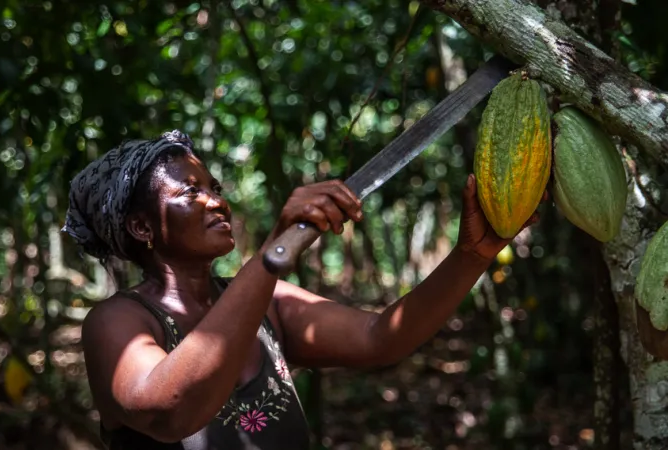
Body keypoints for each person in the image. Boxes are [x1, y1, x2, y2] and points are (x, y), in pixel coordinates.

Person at [62, 130, 544, 449]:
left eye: (216, 187)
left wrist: (473, 256)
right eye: (191, 191)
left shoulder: (267, 307)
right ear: (142, 227)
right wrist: (272, 251)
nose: (217, 201)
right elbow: (170, 411)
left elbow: (381, 337)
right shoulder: (118, 322)